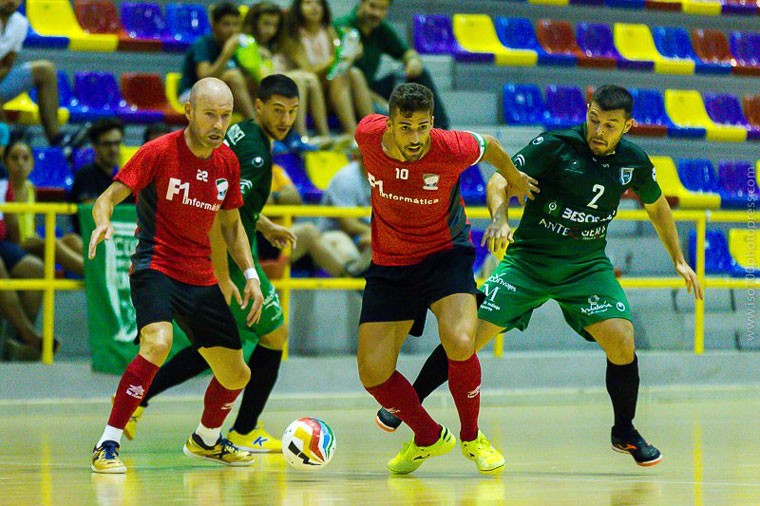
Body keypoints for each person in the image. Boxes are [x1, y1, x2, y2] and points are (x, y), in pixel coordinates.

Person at [375, 84, 704, 468]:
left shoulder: (633, 161)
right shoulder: (555, 145)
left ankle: (624, 431)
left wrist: (679, 259)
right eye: (593, 119)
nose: (598, 130)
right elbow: (500, 180)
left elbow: (657, 205)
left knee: (622, 339)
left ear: (628, 126)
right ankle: (408, 404)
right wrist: (501, 217)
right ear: (587, 111)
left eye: (610, 125)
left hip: (585, 267)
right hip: (528, 261)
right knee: (465, 337)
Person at [355, 83, 537, 475]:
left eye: (423, 126)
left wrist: (513, 177)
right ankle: (427, 436)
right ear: (390, 123)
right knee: (372, 374)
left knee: (459, 339)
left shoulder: (450, 147)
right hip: (391, 263)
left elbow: (488, 145)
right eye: (406, 127)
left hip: (445, 254)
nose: (416, 137)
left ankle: (472, 437)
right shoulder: (367, 134)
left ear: (433, 123)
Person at [89, 77, 263, 474]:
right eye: (210, 115)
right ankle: (107, 443)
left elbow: (232, 226)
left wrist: (250, 273)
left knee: (237, 374)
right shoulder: (159, 152)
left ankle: (206, 439)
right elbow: (107, 198)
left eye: (225, 116)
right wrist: (103, 222)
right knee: (158, 343)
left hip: (199, 275)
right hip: (156, 265)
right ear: (188, 112)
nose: (218, 125)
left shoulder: (227, 162)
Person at [123, 75, 302, 454]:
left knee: (222, 346)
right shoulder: (254, 154)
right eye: (277, 110)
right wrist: (224, 276)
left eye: (292, 112)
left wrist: (263, 223)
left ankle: (156, 405)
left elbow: (231, 201)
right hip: (225, 258)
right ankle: (241, 429)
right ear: (258, 106)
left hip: (231, 247)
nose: (285, 119)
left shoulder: (240, 134)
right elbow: (221, 220)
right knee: (261, 338)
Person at [335, 0, 450, 129]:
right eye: (372, 6)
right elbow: (337, 73)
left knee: (419, 74)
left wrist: (413, 61)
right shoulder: (342, 26)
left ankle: (440, 129)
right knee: (355, 76)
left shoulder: (382, 29)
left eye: (383, 9)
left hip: (372, 88)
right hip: (346, 91)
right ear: (361, 3)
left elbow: (406, 52)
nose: (376, 13)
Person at [242, 2, 332, 148]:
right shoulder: (246, 43)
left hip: (275, 88)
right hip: (259, 93)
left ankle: (324, 134)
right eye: (266, 24)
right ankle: (300, 135)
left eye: (275, 25)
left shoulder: (276, 46)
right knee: (298, 78)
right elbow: (262, 77)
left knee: (310, 78)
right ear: (254, 23)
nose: (270, 30)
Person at [279, 0, 373, 137]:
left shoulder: (328, 30)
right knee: (338, 77)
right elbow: (308, 71)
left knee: (355, 73)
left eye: (318, 4)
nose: (314, 8)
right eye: (308, 3)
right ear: (299, 8)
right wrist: (337, 58)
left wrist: (351, 55)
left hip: (331, 89)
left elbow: (340, 62)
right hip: (309, 91)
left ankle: (372, 129)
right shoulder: (293, 35)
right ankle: (353, 132)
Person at [259, 162, 367, 277]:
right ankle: (350, 276)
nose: (271, 146)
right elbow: (257, 202)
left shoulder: (275, 170)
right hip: (262, 236)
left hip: (283, 234)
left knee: (336, 238)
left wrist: (273, 197)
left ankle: (356, 275)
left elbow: (295, 199)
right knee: (308, 232)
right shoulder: (247, 172)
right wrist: (278, 198)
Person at [5, 139, 83, 276]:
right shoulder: (4, 190)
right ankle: (97, 275)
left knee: (72, 239)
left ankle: (102, 264)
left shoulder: (30, 188)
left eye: (25, 158)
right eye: (14, 158)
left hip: (31, 241)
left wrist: (36, 239)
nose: (20, 163)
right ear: (5, 163)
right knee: (53, 244)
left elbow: (33, 224)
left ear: (32, 164)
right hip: (14, 246)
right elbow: (13, 237)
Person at [0, 157, 52, 360]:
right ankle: (28, 334)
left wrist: (17, 245)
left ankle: (18, 342)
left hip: (2, 242)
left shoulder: (2, 174)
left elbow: (9, 217)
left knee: (36, 268)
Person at [0, 0, 66, 146]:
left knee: (46, 70)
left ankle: (57, 140)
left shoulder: (20, 23)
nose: (11, 1)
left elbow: (7, 64)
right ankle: (8, 144)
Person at [178, 2, 256, 119]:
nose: (232, 30)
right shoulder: (203, 43)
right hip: (192, 93)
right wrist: (226, 53)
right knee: (232, 76)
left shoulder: (240, 46)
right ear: (214, 25)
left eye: (236, 24)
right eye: (226, 24)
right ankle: (255, 127)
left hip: (219, 94)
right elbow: (204, 78)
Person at [68, 118, 132, 235]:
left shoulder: (125, 178)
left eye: (117, 143)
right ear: (95, 146)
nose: (113, 149)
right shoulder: (85, 175)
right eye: (107, 144)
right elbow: (91, 214)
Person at [317, 147, 371, 266]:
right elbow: (349, 225)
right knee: (346, 248)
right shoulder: (346, 179)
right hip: (335, 234)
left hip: (367, 233)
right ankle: (354, 273)